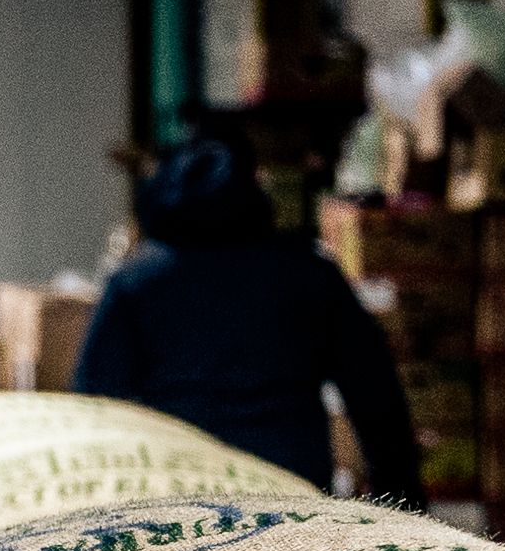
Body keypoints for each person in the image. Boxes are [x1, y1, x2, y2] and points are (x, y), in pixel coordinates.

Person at [70, 130, 421, 500]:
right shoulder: (308, 274)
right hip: (292, 491)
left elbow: (96, 403)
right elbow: (376, 396)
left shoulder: (134, 282)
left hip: (175, 490)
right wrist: (400, 501)